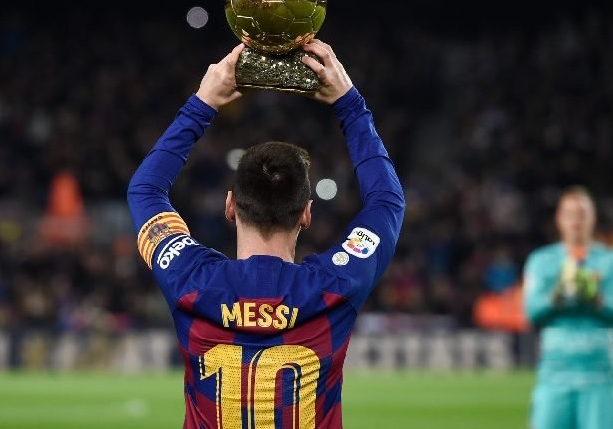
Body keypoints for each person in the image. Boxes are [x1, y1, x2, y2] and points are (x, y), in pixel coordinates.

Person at [127, 40, 405, 428]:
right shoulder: (336, 285)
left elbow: (145, 190)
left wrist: (202, 103)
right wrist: (351, 105)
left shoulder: (189, 278)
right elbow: (387, 202)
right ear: (306, 213)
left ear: (230, 206)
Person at [523, 187, 613, 429]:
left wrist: (594, 298)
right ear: (559, 219)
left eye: (582, 214)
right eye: (570, 214)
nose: (576, 220)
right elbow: (531, 311)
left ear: (593, 218)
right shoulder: (541, 261)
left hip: (600, 376)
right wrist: (556, 295)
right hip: (554, 375)